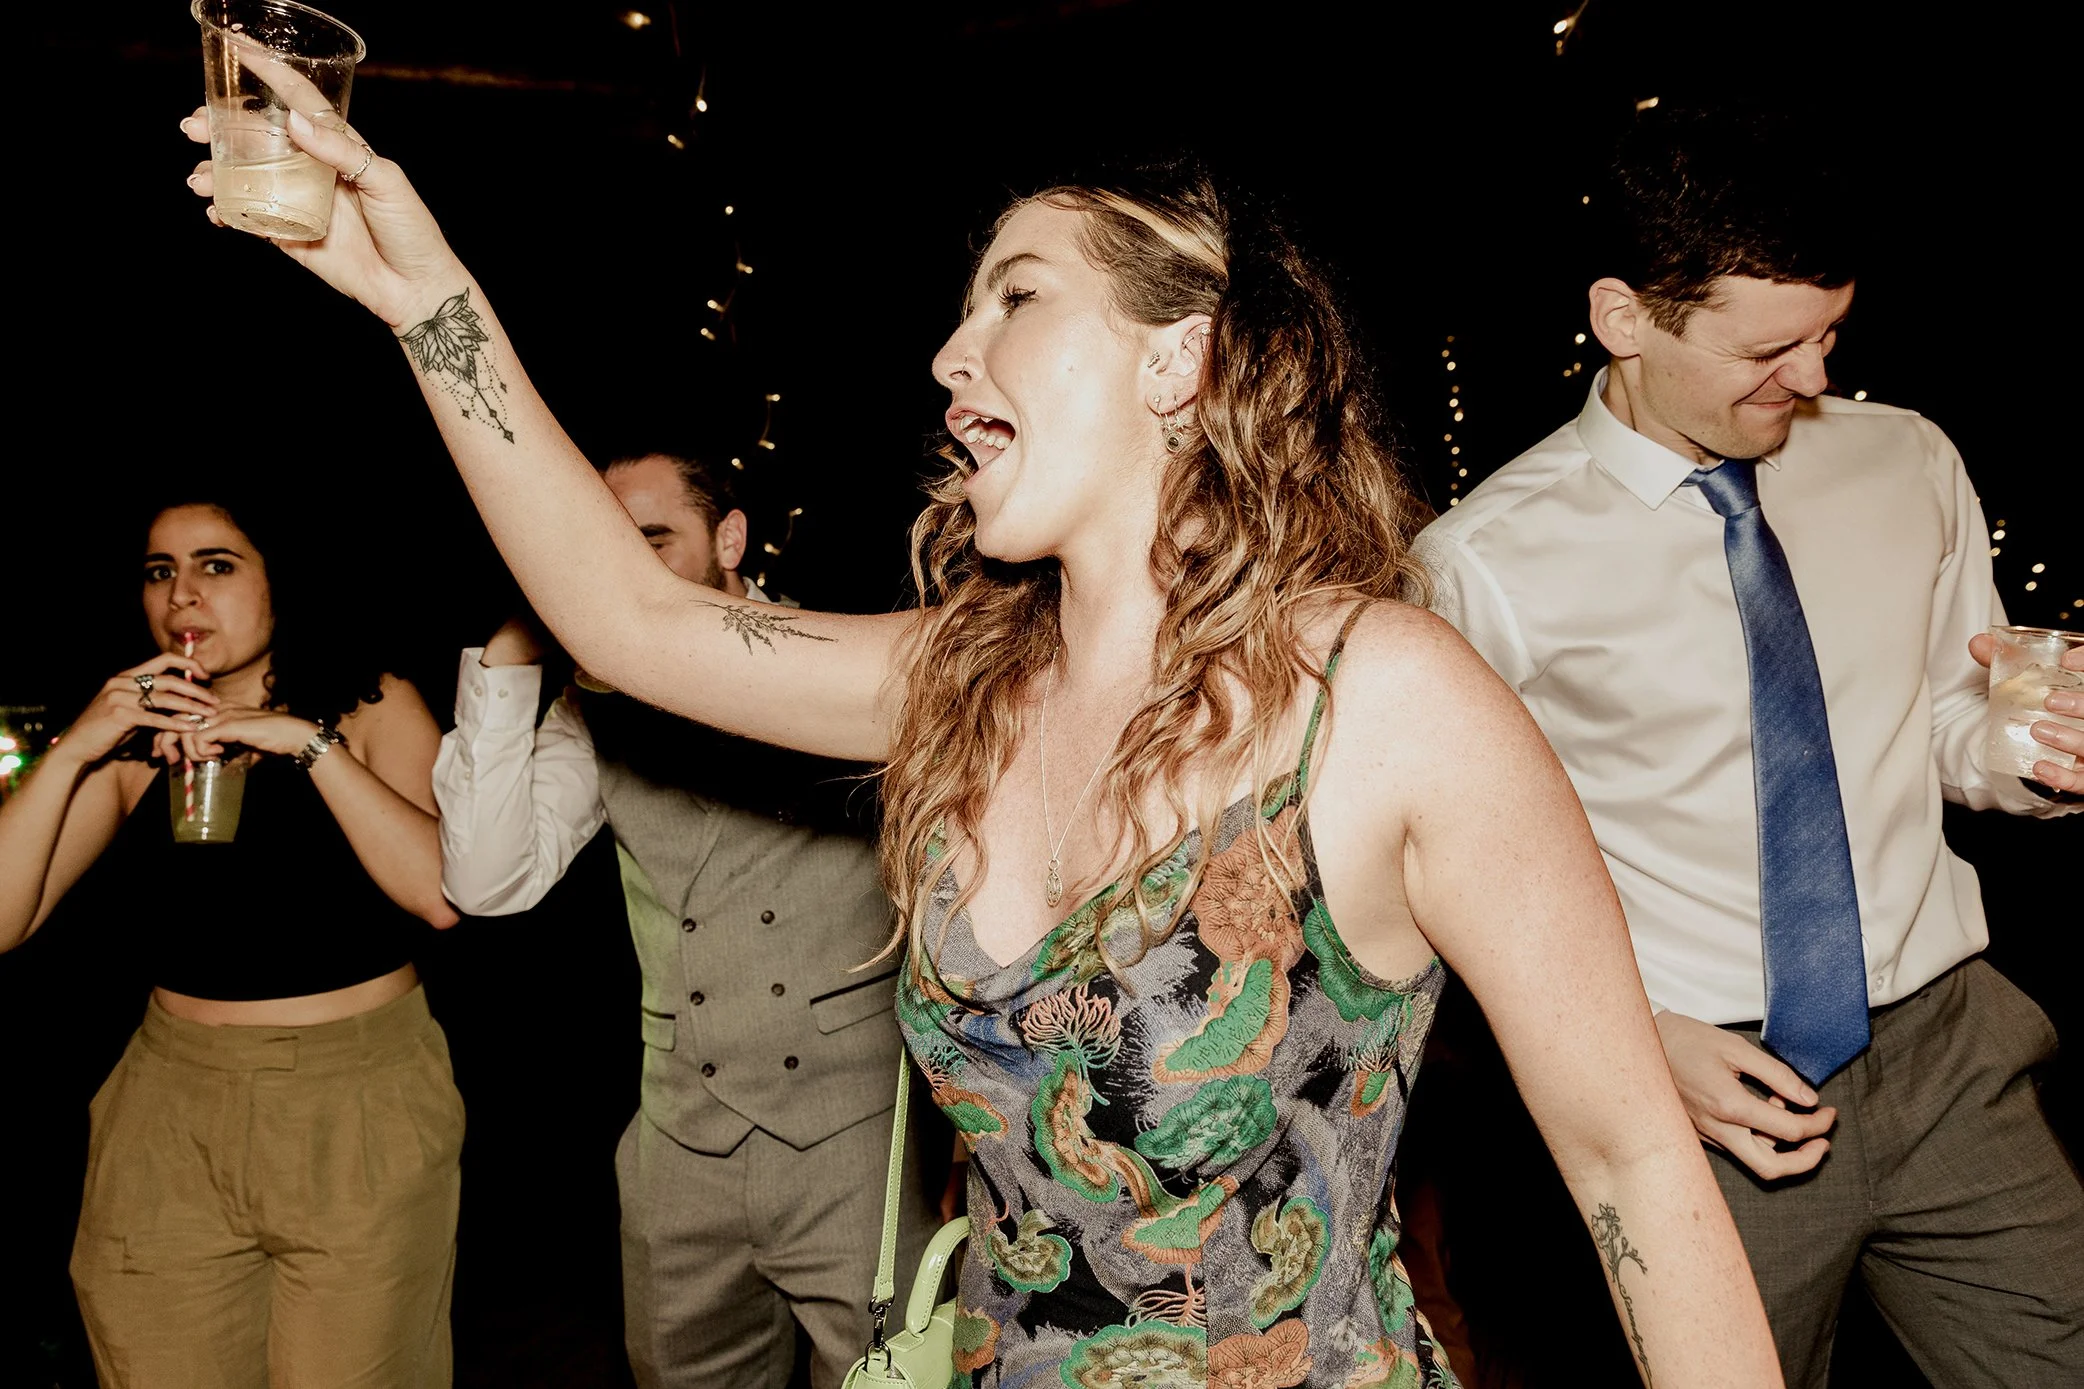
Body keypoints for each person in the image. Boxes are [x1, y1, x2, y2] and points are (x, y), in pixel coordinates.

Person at [180, 98, 1782, 1386]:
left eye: (1017, 296)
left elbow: (1633, 1163)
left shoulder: (1384, 699)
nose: (954, 355)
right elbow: (632, 624)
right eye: (962, 313)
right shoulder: (955, 682)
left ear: (1178, 357)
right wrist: (428, 299)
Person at [1411, 104, 2084, 1387]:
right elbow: (1435, 880)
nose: (1814, 379)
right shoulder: (1480, 567)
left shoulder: (1905, 461)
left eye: (1829, 333)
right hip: (1698, 1102)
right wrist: (1631, 1038)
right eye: (1769, 348)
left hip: (1954, 1059)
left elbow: (1947, 725)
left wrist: (2036, 750)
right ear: (1623, 319)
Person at [433, 448, 939, 1388]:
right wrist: (514, 646)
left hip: (856, 1138)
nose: (618, 571)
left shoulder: (840, 661)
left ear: (730, 539)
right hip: (678, 1147)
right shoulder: (591, 707)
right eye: (599, 548)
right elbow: (487, 878)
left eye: (652, 540)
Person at [0, 491, 462, 1386]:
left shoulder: (368, 703)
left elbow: (439, 894)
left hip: (355, 1098)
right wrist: (78, 746)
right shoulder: (137, 740)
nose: (181, 594)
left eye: (216, 565)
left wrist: (303, 743)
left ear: (279, 577)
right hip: (170, 1106)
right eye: (159, 571)